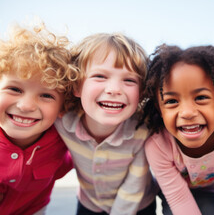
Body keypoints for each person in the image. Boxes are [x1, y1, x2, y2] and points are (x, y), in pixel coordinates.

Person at [0, 22, 77, 214]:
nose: (26, 106)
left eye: (47, 95)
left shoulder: (64, 140)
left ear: (63, 108)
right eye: (15, 89)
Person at [53, 33, 157, 215]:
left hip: (138, 205)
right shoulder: (63, 121)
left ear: (140, 93)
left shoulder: (141, 130)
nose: (114, 89)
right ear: (77, 86)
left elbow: (134, 186)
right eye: (100, 76)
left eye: (129, 80)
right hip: (89, 203)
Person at [140, 45, 214, 215]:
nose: (188, 113)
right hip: (174, 193)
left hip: (213, 191)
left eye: (201, 98)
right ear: (160, 109)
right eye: (171, 101)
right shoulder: (158, 146)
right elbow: (177, 197)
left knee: (209, 208)